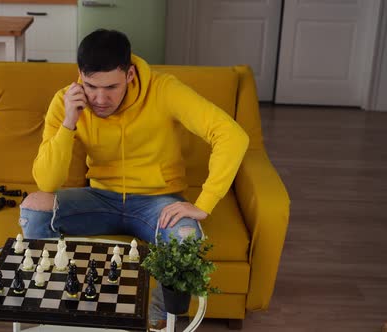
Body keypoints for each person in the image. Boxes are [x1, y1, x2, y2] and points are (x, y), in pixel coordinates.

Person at [19, 29, 249, 329]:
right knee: (35, 206)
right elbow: (47, 183)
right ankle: (56, 307)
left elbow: (232, 135)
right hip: (100, 199)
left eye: (111, 87)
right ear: (80, 76)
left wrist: (205, 202)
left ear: (129, 75)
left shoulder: (164, 89)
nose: (100, 99)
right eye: (91, 86)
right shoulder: (66, 101)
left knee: (187, 238)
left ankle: (156, 320)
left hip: (157, 202)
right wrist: (69, 123)